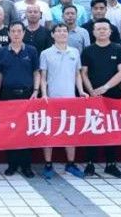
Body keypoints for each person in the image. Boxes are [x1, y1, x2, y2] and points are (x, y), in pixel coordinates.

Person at [80, 18, 121, 178]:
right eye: (98, 29)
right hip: (93, 95)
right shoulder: (88, 50)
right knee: (92, 129)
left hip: (113, 95)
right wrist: (91, 91)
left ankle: (111, 164)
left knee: (111, 129)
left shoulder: (118, 49)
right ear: (93, 32)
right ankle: (90, 163)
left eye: (104, 29)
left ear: (110, 31)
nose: (101, 31)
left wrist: (106, 87)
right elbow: (84, 73)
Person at [38, 25, 85, 179]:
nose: (62, 33)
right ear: (53, 35)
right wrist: (44, 94)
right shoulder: (45, 53)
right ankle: (48, 164)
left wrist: (81, 91)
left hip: (70, 99)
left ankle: (70, 164)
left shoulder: (75, 52)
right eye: (58, 31)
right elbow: (43, 77)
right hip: (51, 99)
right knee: (49, 132)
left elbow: (77, 74)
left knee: (70, 132)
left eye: (64, 31)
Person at [0, 22, 39, 178]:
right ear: (8, 33)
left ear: (24, 33)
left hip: (27, 95)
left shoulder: (31, 51)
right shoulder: (2, 51)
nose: (16, 34)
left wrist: (36, 91)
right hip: (8, 95)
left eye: (19, 31)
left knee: (26, 130)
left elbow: (36, 72)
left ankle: (26, 166)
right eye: (13, 31)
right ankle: (12, 164)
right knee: (11, 130)